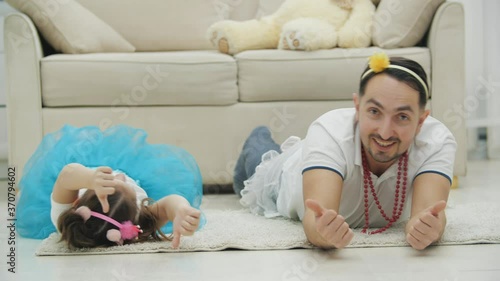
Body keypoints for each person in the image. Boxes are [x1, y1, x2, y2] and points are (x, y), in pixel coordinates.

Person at [234, 53, 456, 250]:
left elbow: (428, 216)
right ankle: (258, 136)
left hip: (321, 152)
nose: (386, 132)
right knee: (256, 162)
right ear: (357, 108)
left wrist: (428, 229)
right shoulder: (329, 131)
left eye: (402, 117)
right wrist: (322, 233)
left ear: (421, 121)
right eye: (374, 111)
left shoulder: (437, 141)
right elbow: (314, 221)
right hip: (284, 176)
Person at [17, 125, 205, 249]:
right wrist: (180, 209)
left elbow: (66, 175)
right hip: (89, 179)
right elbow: (166, 205)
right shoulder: (140, 221)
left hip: (85, 175)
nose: (120, 176)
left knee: (47, 190)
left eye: (117, 181)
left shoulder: (64, 219)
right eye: (125, 184)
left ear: (77, 202)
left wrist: (91, 178)